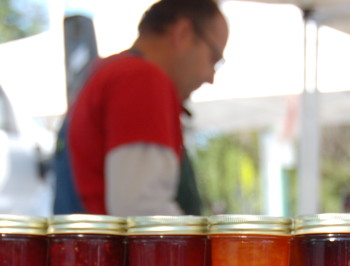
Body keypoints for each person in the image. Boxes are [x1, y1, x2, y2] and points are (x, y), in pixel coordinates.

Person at [53, 0, 228, 216]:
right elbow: (142, 210)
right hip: (113, 250)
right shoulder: (142, 79)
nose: (210, 77)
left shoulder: (105, 72)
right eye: (214, 59)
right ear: (183, 33)